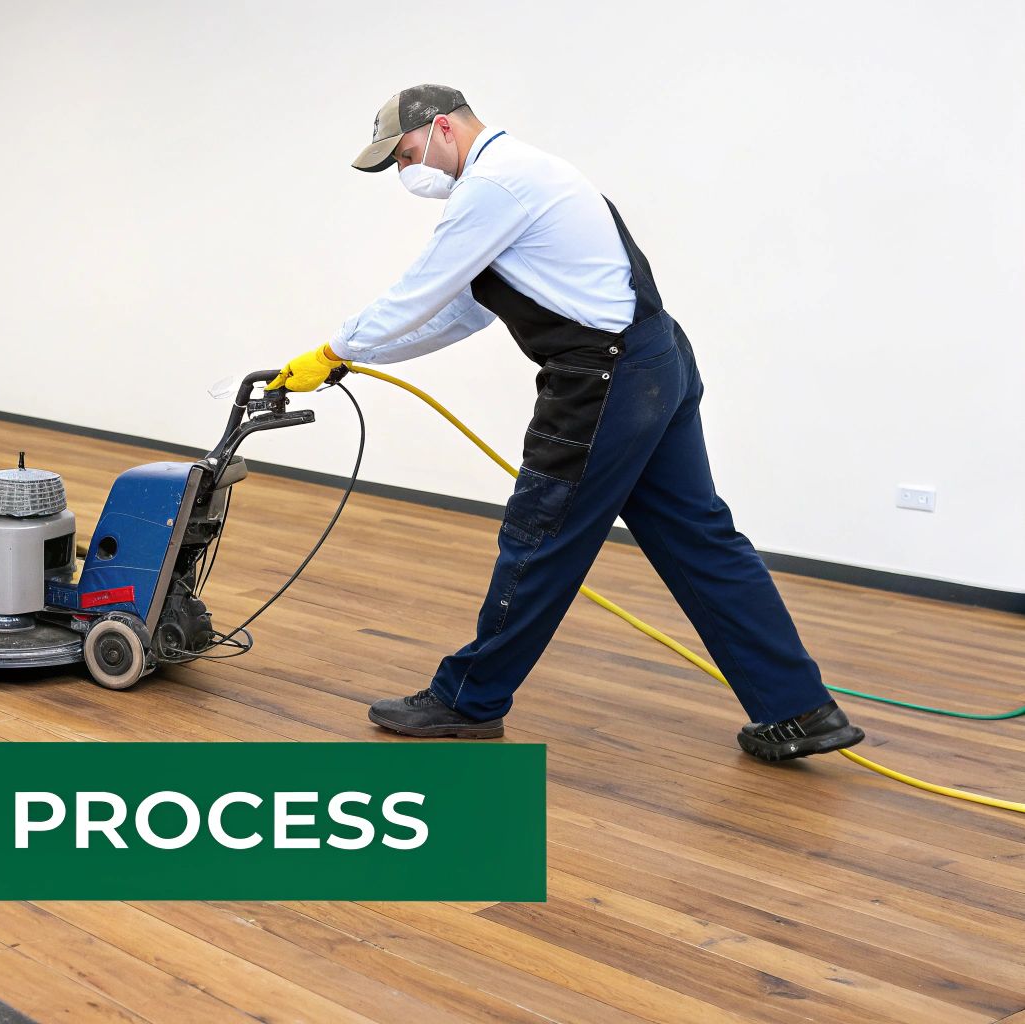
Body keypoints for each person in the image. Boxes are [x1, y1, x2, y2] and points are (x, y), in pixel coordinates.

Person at [271, 85, 864, 762]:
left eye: (405, 154)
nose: (408, 172)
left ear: (439, 129)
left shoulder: (491, 186)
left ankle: (467, 702)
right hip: (654, 358)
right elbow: (461, 310)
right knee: (699, 536)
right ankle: (800, 709)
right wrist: (355, 355)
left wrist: (334, 348)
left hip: (604, 380)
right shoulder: (528, 172)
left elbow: (421, 289)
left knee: (539, 537)